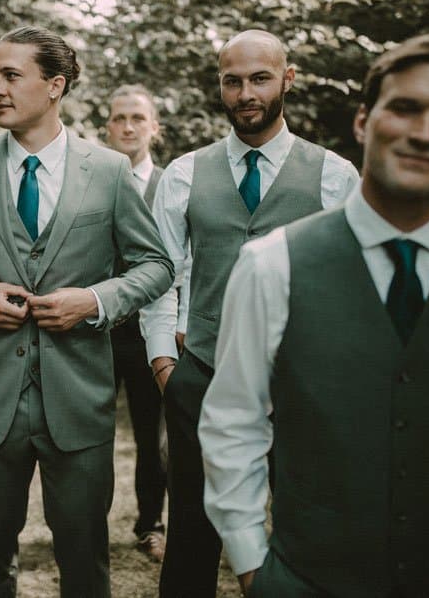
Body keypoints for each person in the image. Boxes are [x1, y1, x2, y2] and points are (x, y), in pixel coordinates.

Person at [200, 33, 429, 598]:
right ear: (364, 121)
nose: (424, 132)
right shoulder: (271, 266)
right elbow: (233, 423)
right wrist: (253, 565)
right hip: (308, 581)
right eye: (406, 108)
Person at [0, 26, 173, 597]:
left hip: (78, 401)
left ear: (54, 86)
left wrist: (96, 301)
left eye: (11, 75)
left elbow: (155, 264)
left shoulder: (106, 171)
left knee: (84, 563)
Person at [140, 29, 359, 596]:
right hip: (204, 374)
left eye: (259, 78)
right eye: (232, 80)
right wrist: (166, 363)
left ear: (287, 79)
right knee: (192, 528)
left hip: (302, 385)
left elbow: (350, 291)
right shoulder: (186, 174)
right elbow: (162, 273)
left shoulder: (335, 176)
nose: (245, 93)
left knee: (303, 527)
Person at [104, 83, 169, 562]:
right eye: (118, 118)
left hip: (151, 332)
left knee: (153, 437)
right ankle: (84, 521)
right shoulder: (93, 180)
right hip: (97, 330)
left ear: (154, 128)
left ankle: (151, 524)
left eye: (137, 119)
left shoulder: (171, 184)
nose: (128, 127)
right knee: (88, 432)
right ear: (107, 127)